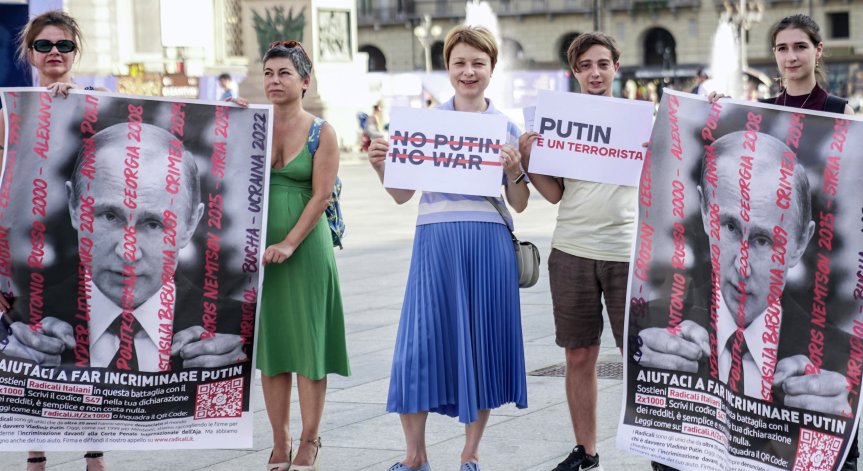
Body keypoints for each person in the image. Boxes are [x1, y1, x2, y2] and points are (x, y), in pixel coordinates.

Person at [367, 25, 529, 471]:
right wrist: (381, 166)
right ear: (447, 68)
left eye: (478, 63)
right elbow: (402, 195)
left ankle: (470, 453)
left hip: (488, 243)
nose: (468, 71)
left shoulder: (506, 126)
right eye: (460, 63)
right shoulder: (425, 124)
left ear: (492, 69)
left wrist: (515, 170)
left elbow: (519, 202)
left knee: (480, 345)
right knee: (416, 346)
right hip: (436, 241)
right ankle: (415, 455)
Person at [229, 40, 350, 471]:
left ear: (304, 81)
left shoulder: (322, 132)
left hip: (306, 249)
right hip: (260, 252)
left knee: (309, 347)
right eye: (268, 73)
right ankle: (279, 439)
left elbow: (321, 197)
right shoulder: (251, 124)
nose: (274, 81)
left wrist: (290, 243)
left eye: (284, 73)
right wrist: (225, 119)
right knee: (274, 347)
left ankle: (310, 439)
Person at [518, 32, 635, 471]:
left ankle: (660, 451)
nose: (595, 73)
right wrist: (529, 160)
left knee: (640, 358)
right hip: (572, 249)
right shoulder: (560, 121)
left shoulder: (639, 119)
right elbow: (554, 194)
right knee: (578, 354)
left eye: (602, 64)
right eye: (585, 66)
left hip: (627, 250)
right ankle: (585, 451)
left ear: (615, 67)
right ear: (575, 72)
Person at [0, 11, 108, 471]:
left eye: (64, 45)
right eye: (44, 45)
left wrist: (235, 114)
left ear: (75, 52)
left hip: (88, 254)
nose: (54, 53)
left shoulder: (99, 103)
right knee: (31, 352)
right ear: (30, 54)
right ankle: (35, 454)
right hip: (25, 257)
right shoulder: (8, 114)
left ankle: (95, 453)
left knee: (91, 355)